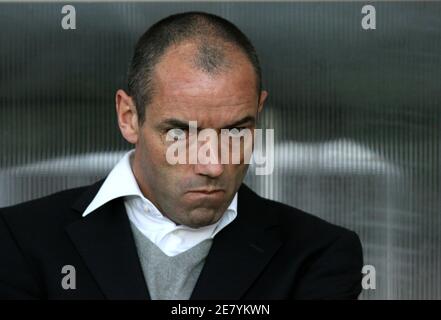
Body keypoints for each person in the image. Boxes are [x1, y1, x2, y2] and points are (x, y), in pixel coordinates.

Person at [0, 11, 363, 300]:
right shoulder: (20, 240)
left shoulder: (317, 254)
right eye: (181, 134)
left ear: (258, 110)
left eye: (236, 131)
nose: (213, 164)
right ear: (129, 117)